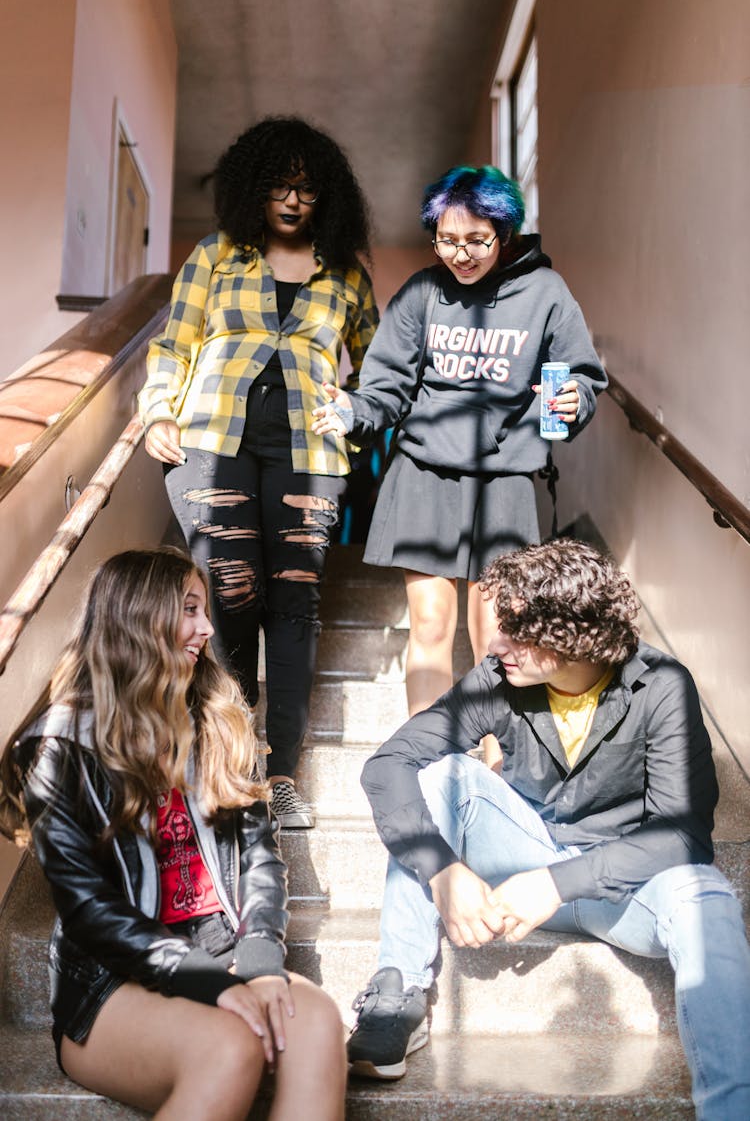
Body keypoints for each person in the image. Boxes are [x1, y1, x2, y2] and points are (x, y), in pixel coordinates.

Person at [345, 539, 750, 1120]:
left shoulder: (661, 686)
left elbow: (683, 835)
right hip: (523, 854)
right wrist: (443, 873)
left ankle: (733, 1109)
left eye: (516, 632)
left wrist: (558, 882)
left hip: (624, 889)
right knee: (442, 775)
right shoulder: (497, 678)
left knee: (708, 894)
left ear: (571, 636)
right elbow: (387, 765)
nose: (493, 644)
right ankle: (397, 994)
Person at [0, 549, 346, 1121]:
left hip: (224, 949)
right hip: (114, 982)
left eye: (204, 610)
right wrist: (210, 982)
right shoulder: (59, 746)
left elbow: (261, 857)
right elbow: (89, 909)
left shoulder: (217, 719)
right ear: (136, 617)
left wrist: (259, 958)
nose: (208, 629)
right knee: (229, 1048)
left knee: (316, 1022)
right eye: (190, 609)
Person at [312, 165, 608, 747]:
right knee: (428, 622)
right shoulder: (423, 293)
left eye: (477, 240)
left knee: (494, 631)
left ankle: (490, 758)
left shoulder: (545, 294)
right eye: (447, 240)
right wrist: (353, 411)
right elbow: (387, 386)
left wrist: (575, 395)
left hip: (505, 480)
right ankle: (428, 757)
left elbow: (582, 377)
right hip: (424, 473)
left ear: (504, 231)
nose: (461, 255)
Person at [139, 117, 379, 828]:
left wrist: (357, 407)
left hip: (309, 451)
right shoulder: (217, 256)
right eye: (280, 183)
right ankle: (231, 758)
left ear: (325, 196)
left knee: (295, 604)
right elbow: (174, 341)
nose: (293, 198)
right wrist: (158, 410)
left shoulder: (346, 275)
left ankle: (281, 775)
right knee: (231, 593)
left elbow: (381, 367)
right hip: (212, 437)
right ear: (255, 187)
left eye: (306, 187)